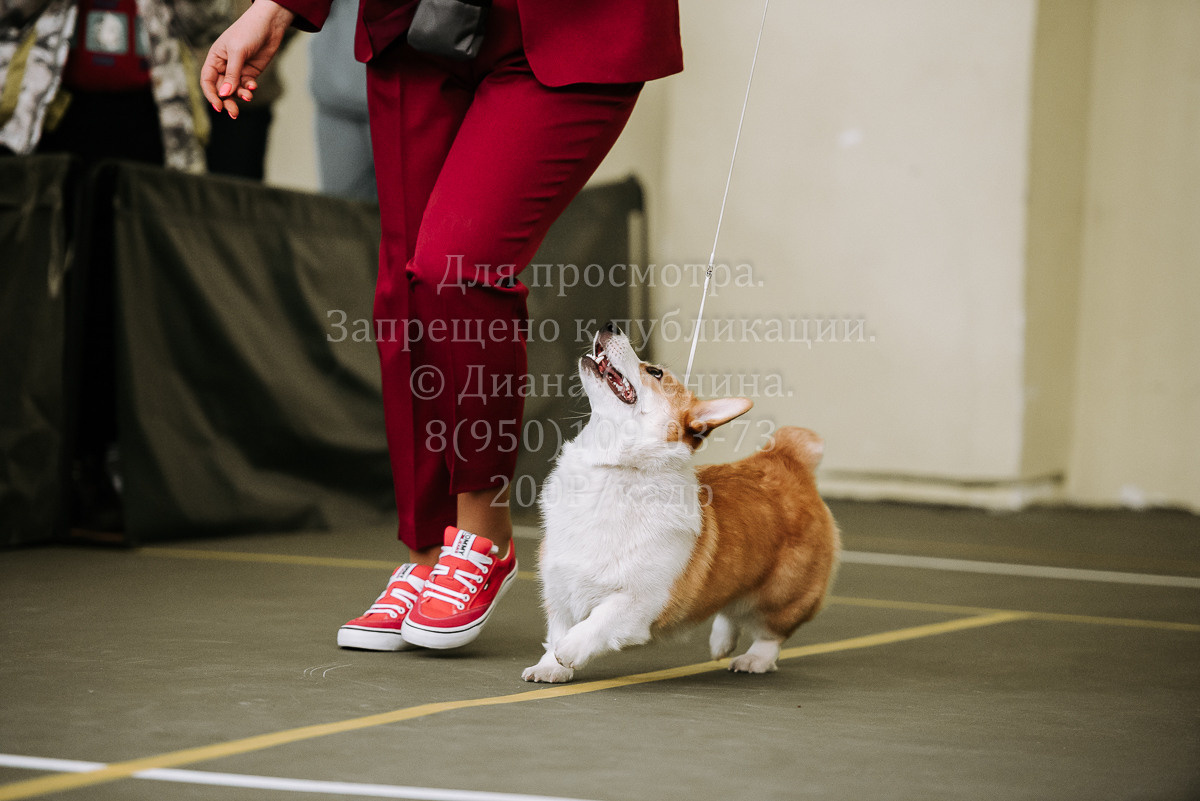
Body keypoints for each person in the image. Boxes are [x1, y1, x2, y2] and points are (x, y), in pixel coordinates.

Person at [201, 0, 683, 652]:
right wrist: (278, 7)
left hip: (570, 22)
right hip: (415, 22)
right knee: (404, 288)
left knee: (460, 265)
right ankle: (429, 551)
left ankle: (482, 532)